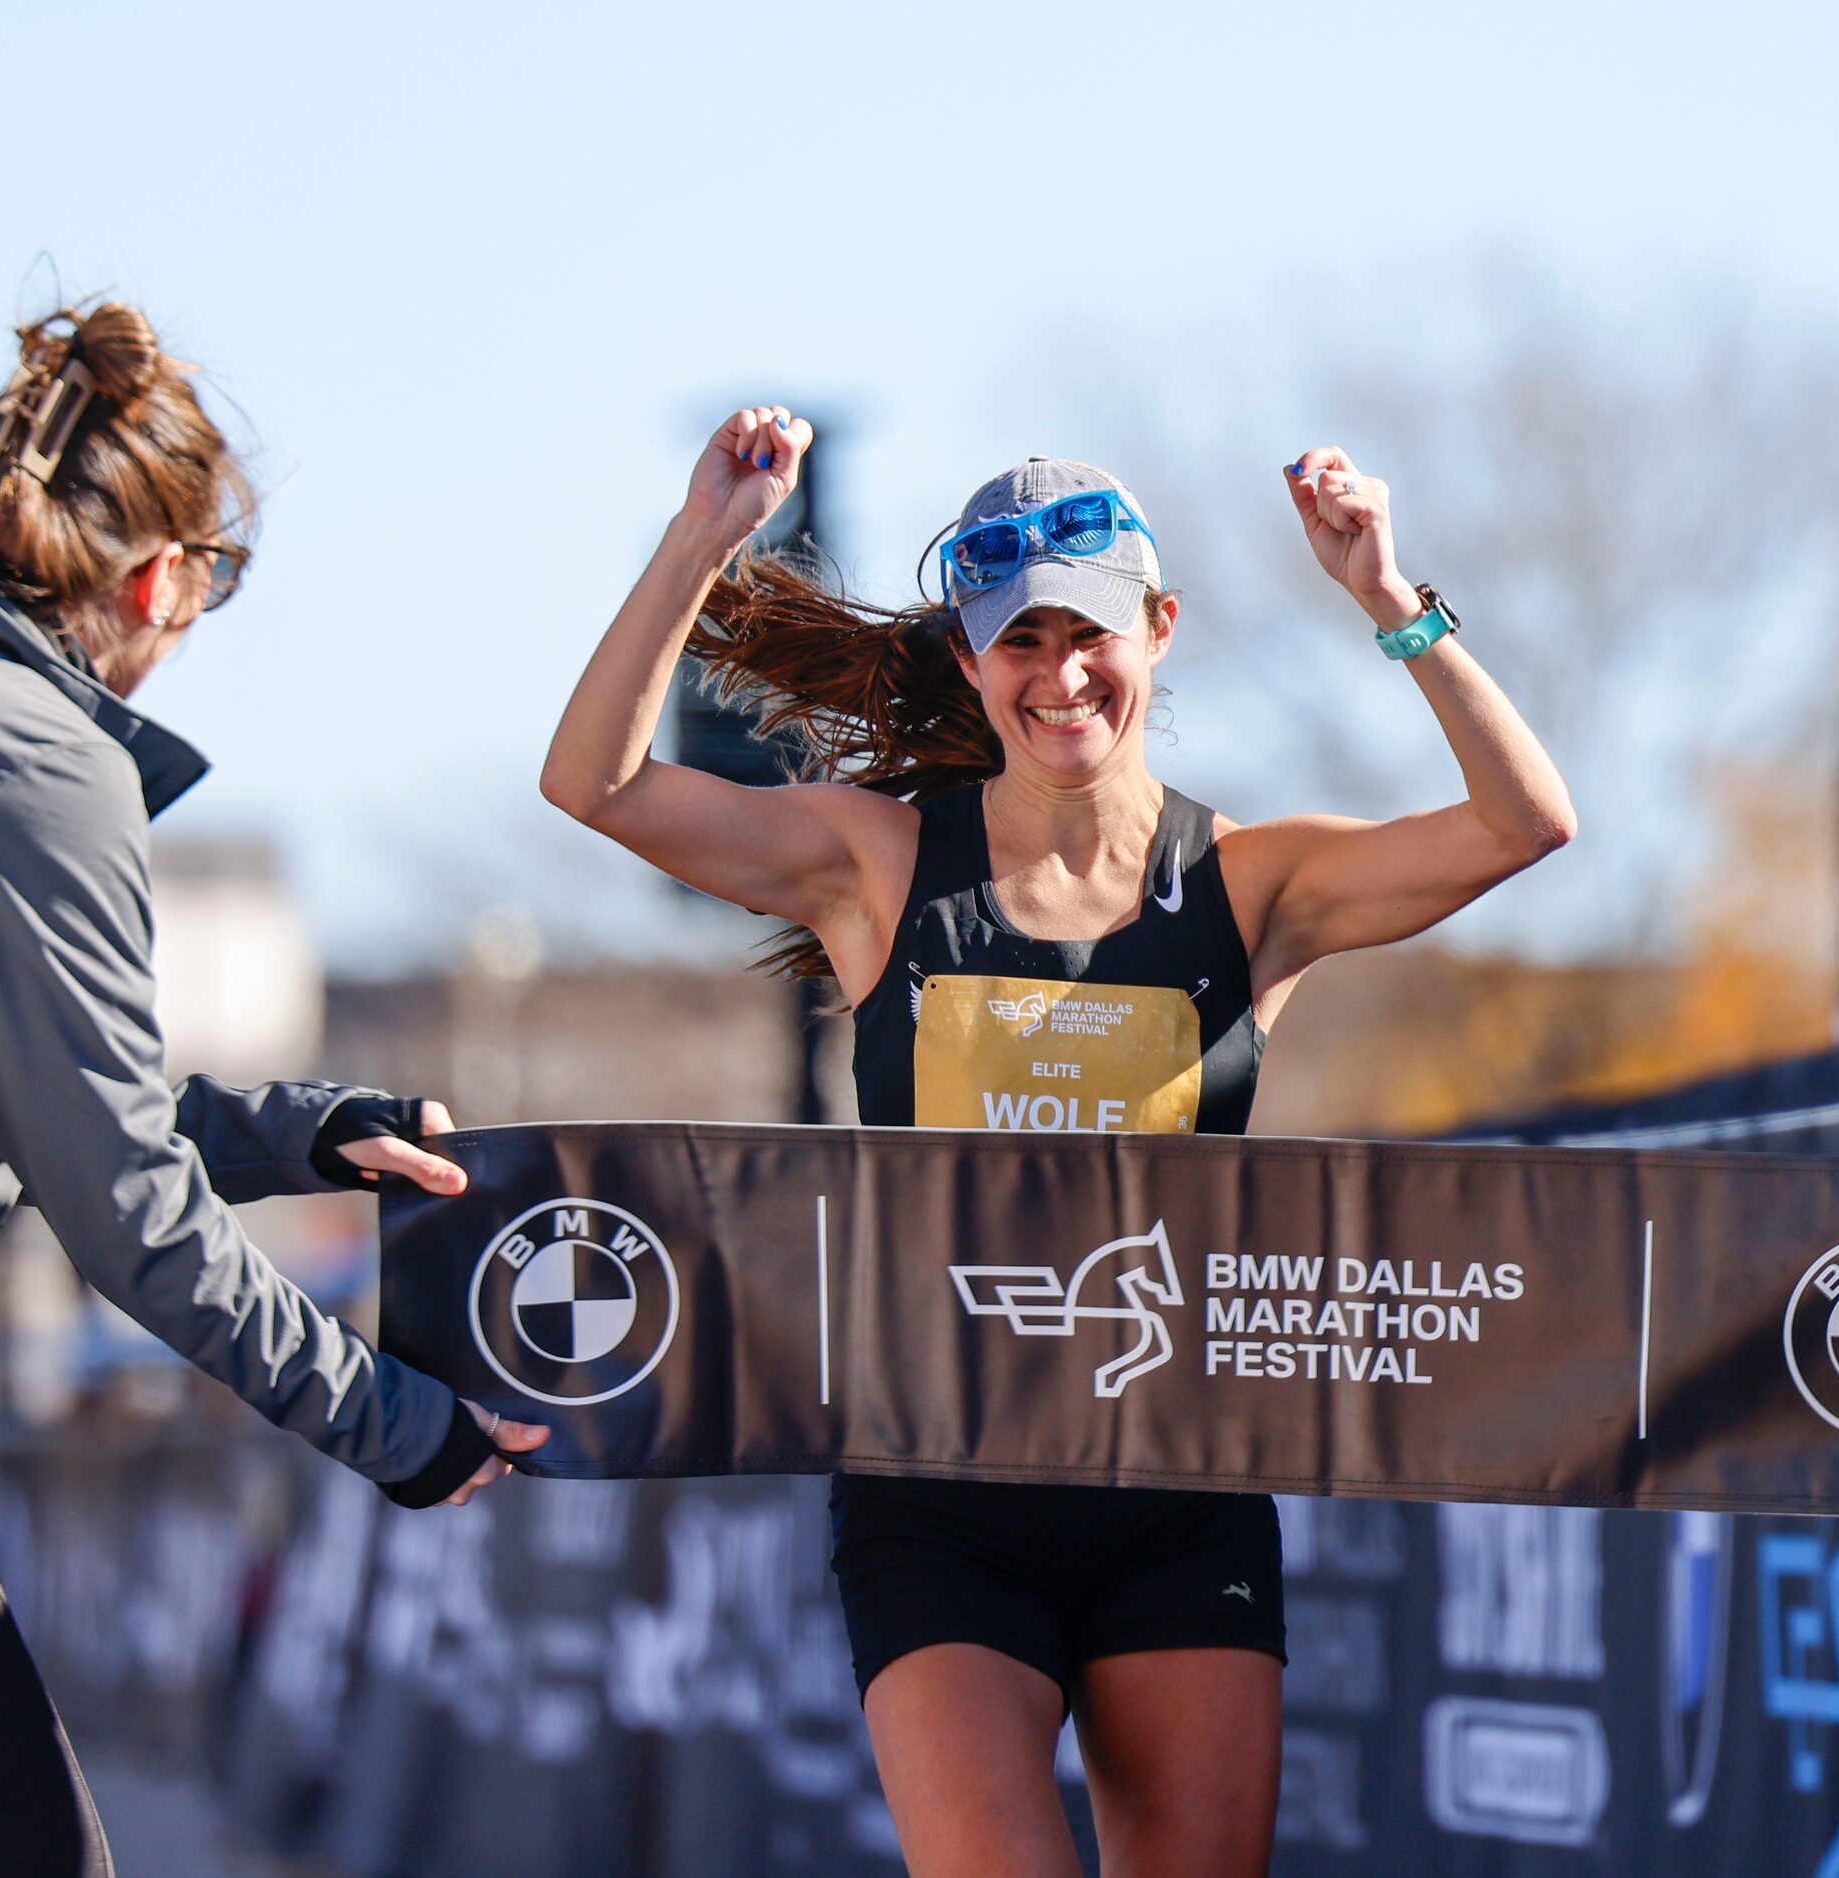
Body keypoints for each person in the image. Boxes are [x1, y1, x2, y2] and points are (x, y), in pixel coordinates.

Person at [543, 407, 1575, 1875]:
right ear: (971, 662)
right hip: (942, 1494)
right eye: (1017, 642)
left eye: (1089, 633)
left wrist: (1389, 601)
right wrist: (700, 546)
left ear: (1159, 629)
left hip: (1178, 1496)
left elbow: (1526, 821)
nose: (1059, 673)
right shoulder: (879, 865)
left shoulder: (1246, 882)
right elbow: (595, 785)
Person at [0, 301, 547, 1878]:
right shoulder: (31, 755)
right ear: (161, 575)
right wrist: (402, 1422)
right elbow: (125, 1209)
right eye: (218, 582)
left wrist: (294, 1132)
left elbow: (10, 1089)